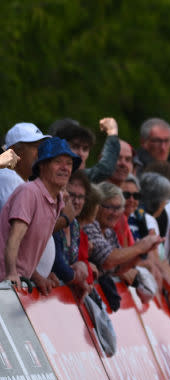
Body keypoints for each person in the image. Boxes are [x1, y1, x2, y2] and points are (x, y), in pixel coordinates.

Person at [0, 138, 80, 291]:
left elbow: (31, 245)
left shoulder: (57, 200)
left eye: (69, 163)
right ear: (42, 165)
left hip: (19, 284)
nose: (65, 168)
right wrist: (11, 274)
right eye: (58, 162)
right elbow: (14, 238)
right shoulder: (29, 192)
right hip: (5, 285)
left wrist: (37, 276)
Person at [51, 117, 120, 184]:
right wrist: (112, 133)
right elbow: (104, 170)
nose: (81, 153)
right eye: (75, 147)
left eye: (85, 149)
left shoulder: (82, 177)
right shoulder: (49, 173)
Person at [0, 122, 48, 211]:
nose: (40, 153)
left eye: (41, 147)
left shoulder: (19, 178)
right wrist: (66, 219)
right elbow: (23, 224)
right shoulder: (9, 179)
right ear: (14, 151)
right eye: (35, 147)